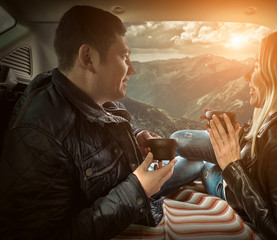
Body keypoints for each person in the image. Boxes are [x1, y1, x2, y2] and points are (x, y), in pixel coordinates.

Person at [0, 5, 203, 240]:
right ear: (89, 58)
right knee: (196, 163)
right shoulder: (39, 136)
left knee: (196, 163)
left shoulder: (89, 95)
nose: (133, 70)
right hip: (132, 193)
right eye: (124, 57)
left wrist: (135, 135)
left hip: (130, 184)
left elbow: (98, 128)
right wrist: (138, 189)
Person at [171, 29, 277, 239]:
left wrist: (232, 166)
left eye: (258, 65)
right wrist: (238, 134)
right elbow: (262, 154)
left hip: (232, 186)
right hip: (243, 163)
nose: (247, 75)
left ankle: (143, 195)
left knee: (200, 164)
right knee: (178, 139)